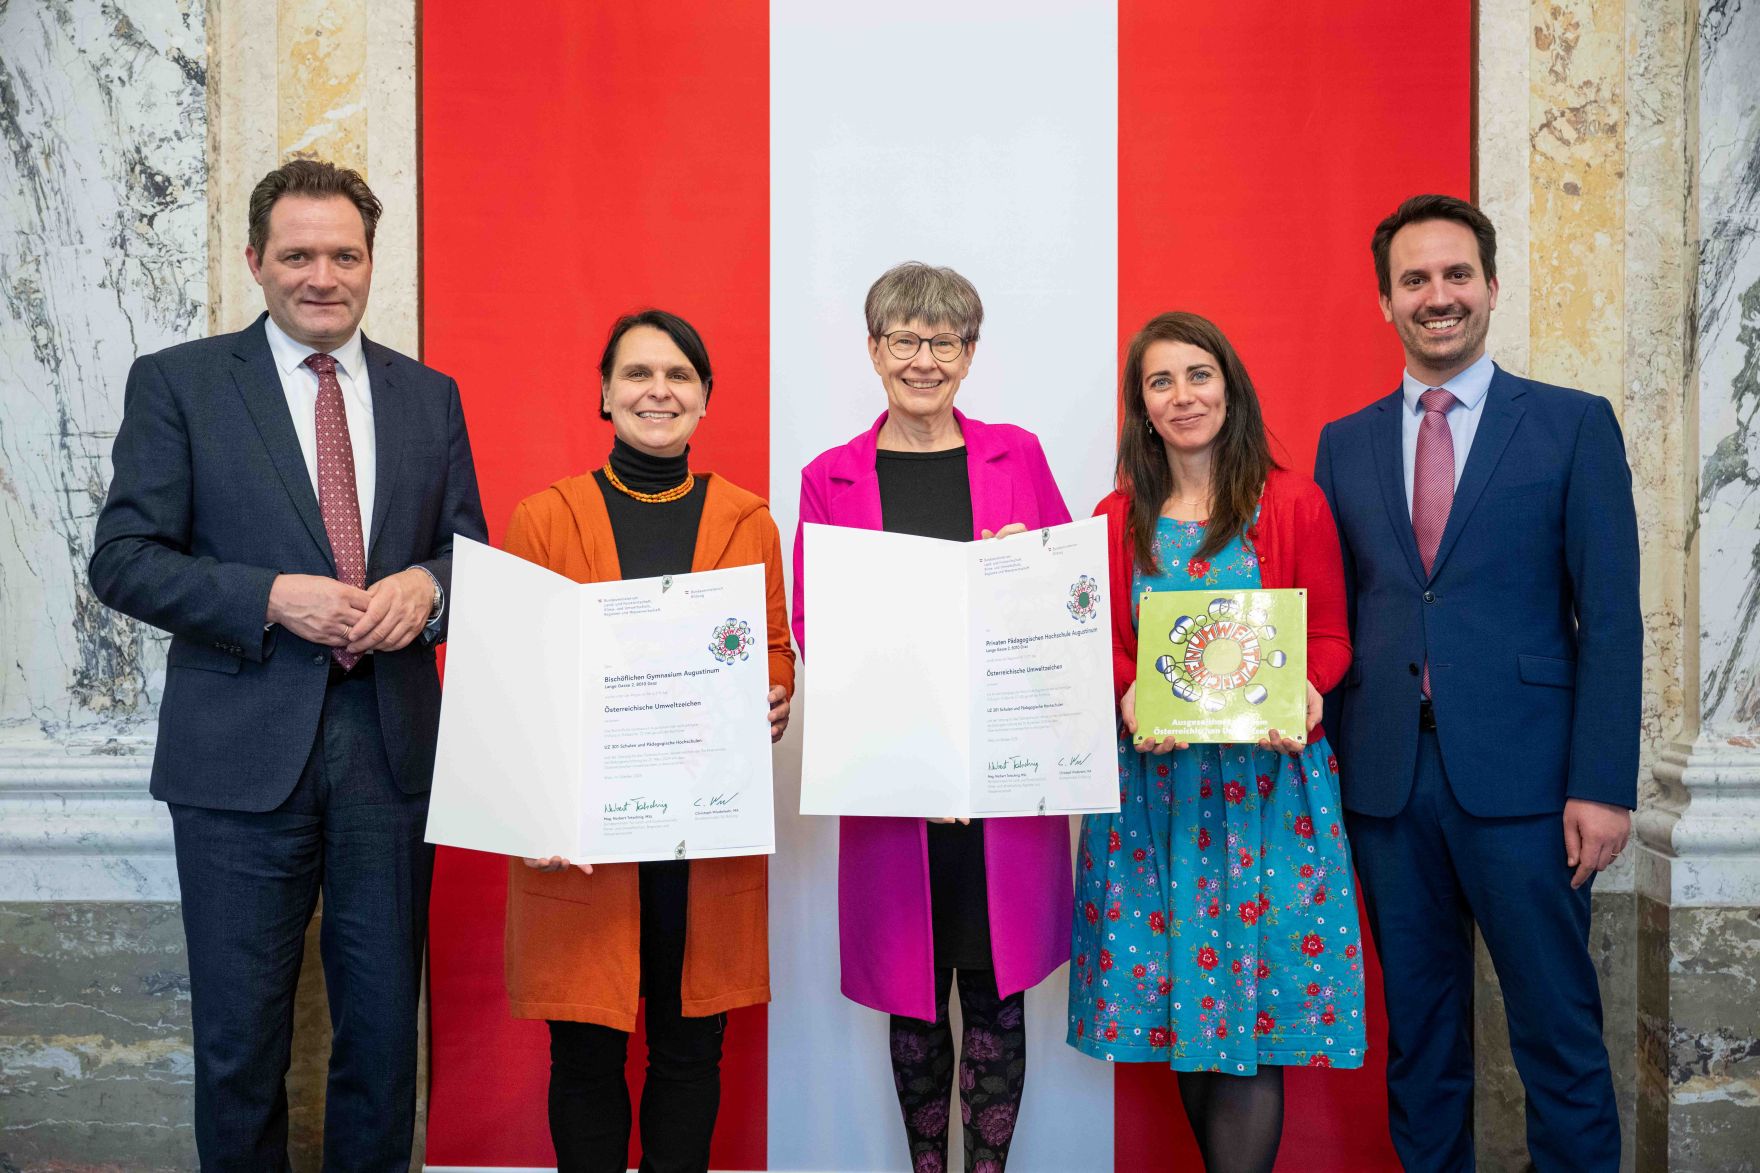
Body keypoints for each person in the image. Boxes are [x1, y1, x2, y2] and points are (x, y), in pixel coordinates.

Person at [88, 159, 486, 1169]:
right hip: (236, 759)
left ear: (369, 264)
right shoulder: (178, 382)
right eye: (299, 254)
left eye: (343, 254)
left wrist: (428, 592)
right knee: (238, 1045)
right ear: (256, 260)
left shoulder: (428, 396)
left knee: (383, 1040)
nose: (323, 275)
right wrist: (269, 597)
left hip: (388, 758)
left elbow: (469, 558)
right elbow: (124, 561)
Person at [1314, 194, 1639, 1171]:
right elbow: (1331, 609)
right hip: (1383, 790)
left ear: (1491, 287)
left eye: (1455, 275)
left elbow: (1611, 622)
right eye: (1413, 280)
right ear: (1383, 301)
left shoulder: (1572, 427)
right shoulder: (1344, 442)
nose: (1436, 296)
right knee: (1419, 1047)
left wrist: (1602, 785)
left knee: (1557, 1042)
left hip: (1531, 794)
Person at [791, 261, 1072, 1173]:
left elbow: (1075, 602)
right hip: (892, 786)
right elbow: (810, 623)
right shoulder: (830, 478)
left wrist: (1028, 570)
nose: (923, 359)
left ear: (970, 353)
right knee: (913, 1001)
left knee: (995, 1002)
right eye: (904, 339)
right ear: (873, 350)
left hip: (1004, 786)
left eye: (943, 341)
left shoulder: (1018, 455)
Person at [1069, 312, 1366, 1173]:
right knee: (1184, 1009)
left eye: (1198, 375)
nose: (1182, 395)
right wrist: (1128, 694)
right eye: (1161, 382)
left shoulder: (1294, 499)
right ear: (1142, 407)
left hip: (1268, 790)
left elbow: (1332, 635)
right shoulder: (1113, 514)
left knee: (1253, 1013)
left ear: (1228, 386)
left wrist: (1308, 690)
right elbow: (1106, 646)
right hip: (1155, 793)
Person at [500, 309, 794, 1173]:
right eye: (637, 373)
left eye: (678, 376)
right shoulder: (545, 518)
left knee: (690, 1053)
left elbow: (772, 649)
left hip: (703, 840)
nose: (657, 390)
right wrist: (535, 813)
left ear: (705, 399)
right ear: (603, 393)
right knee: (584, 1058)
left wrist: (776, 690)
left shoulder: (750, 522)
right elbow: (512, 686)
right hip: (579, 841)